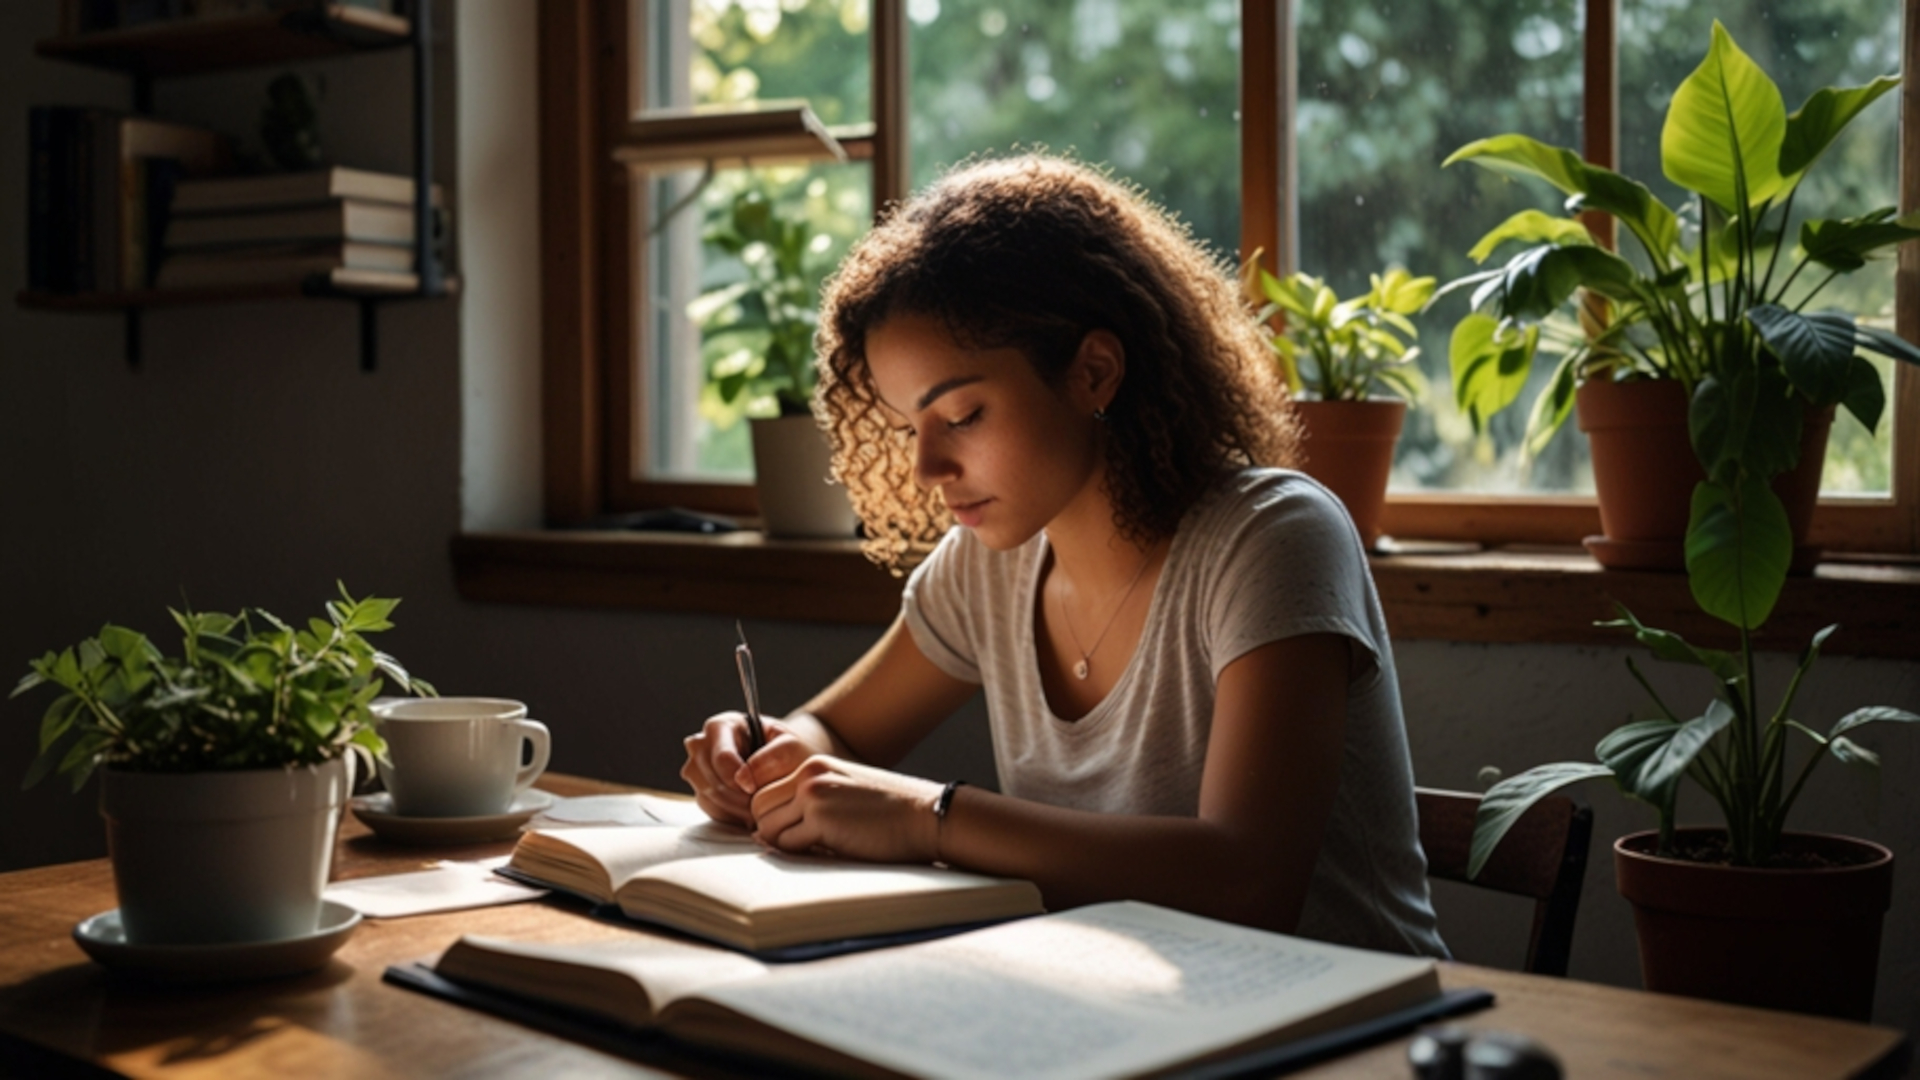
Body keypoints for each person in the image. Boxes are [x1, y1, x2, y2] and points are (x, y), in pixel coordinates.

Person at [681, 154, 1447, 957]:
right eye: (912, 428)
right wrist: (767, 751)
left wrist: (926, 817)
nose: (926, 470)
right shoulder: (989, 562)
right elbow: (835, 730)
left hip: (1362, 1029)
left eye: (964, 415)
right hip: (1125, 1013)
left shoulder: (1272, 539)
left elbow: (1247, 884)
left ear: (1094, 372)